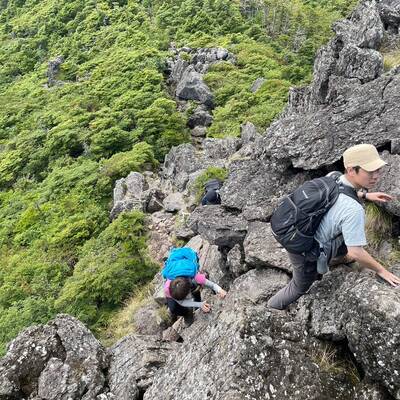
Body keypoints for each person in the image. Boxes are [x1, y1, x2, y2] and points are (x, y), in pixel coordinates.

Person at [268, 143, 400, 310]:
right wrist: (382, 271)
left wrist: (366, 195)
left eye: (378, 170)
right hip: (301, 246)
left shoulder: (334, 177)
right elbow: (356, 252)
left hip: (297, 226)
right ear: (352, 170)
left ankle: (337, 256)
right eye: (370, 171)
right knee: (299, 287)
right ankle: (269, 309)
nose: (376, 176)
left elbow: (342, 192)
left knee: (344, 234)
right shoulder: (353, 210)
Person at [163, 247, 227, 324]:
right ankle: (187, 313)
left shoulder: (195, 276)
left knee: (196, 287)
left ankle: (197, 292)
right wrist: (200, 304)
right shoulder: (167, 288)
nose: (186, 299)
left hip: (187, 265)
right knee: (173, 308)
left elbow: (212, 285)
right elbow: (182, 302)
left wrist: (220, 290)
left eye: (186, 296)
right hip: (177, 268)